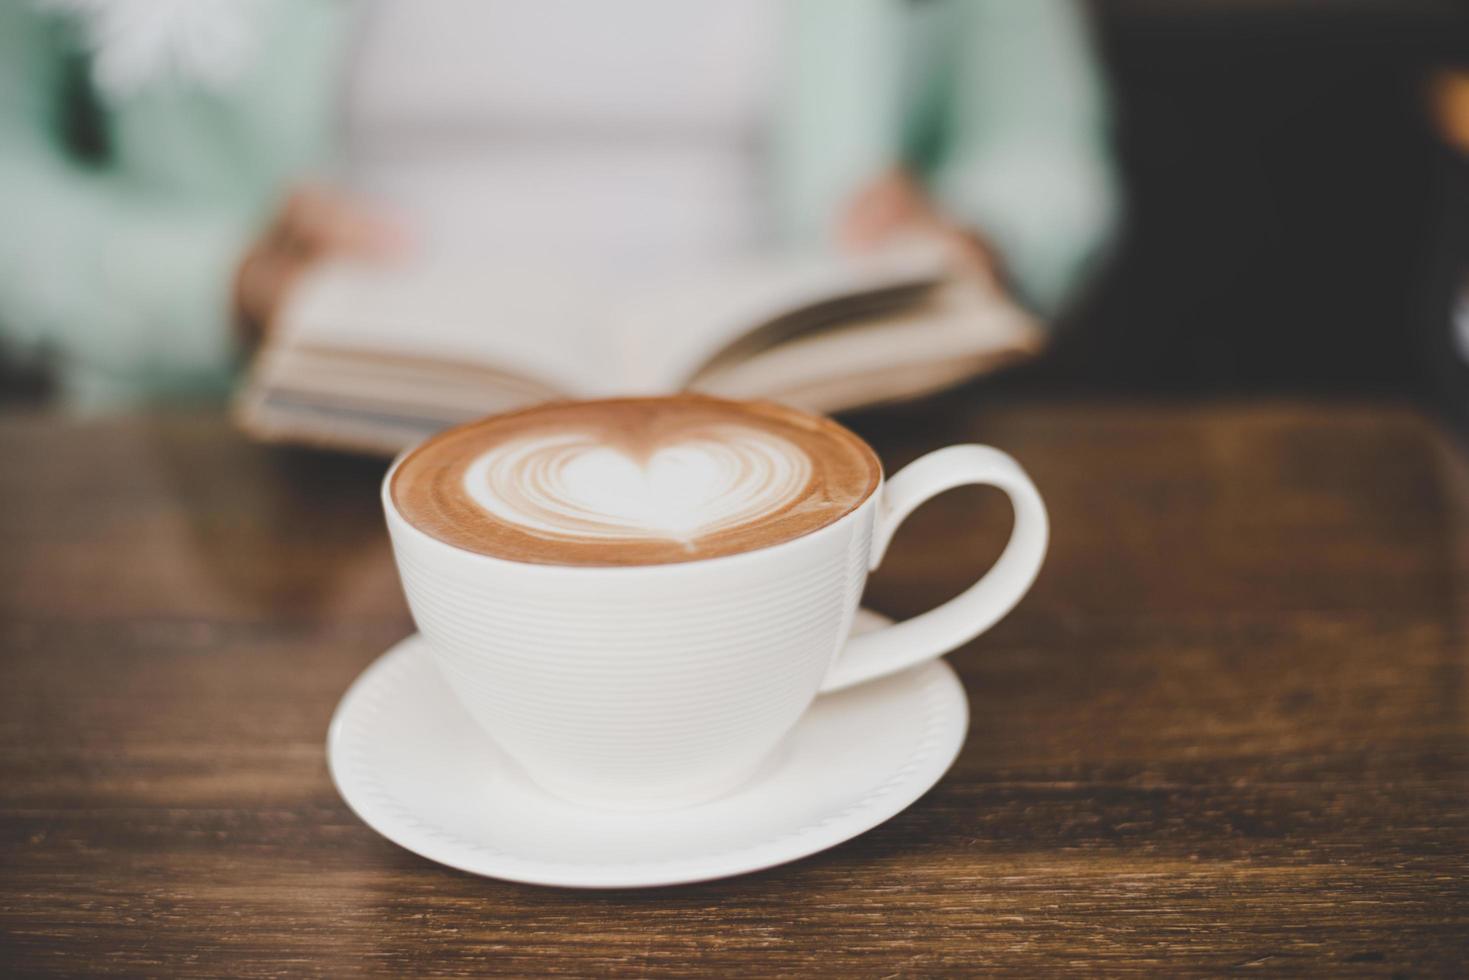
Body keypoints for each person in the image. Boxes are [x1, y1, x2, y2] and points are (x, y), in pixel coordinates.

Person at [0, 0, 1118, 409]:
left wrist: (967, 239)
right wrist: (213, 280)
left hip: (816, 433)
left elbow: (1039, 147)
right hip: (255, 477)